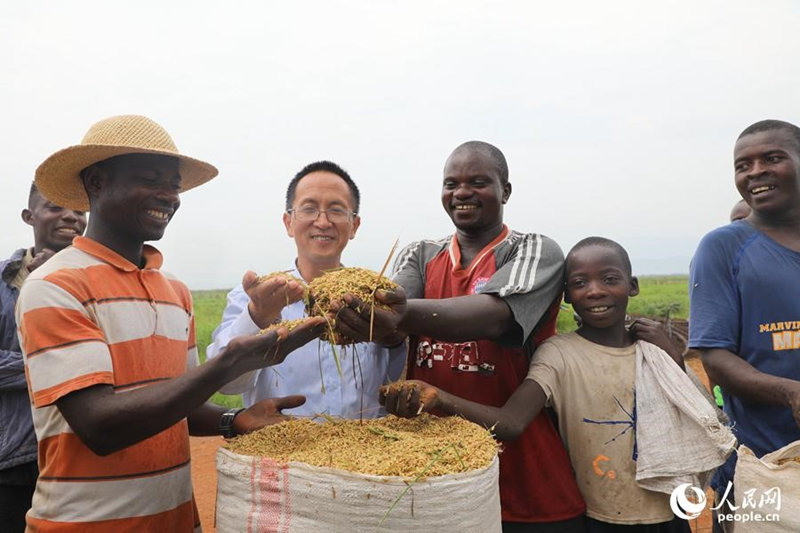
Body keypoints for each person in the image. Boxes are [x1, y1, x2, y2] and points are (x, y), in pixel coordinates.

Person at [16, 114, 325, 531]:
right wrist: (230, 362)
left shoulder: (175, 291)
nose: (168, 196)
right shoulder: (55, 285)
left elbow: (180, 402)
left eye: (174, 186)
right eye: (150, 179)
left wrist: (234, 420)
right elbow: (100, 424)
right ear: (96, 183)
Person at [334, 141, 586, 531]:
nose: (462, 192)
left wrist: (397, 315)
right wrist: (366, 320)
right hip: (438, 473)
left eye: (479, 182)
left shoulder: (533, 249)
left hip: (522, 471)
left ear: (506, 190)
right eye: (451, 183)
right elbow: (391, 326)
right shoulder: (420, 254)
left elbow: (494, 316)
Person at [380, 237, 695, 532]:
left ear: (633, 285)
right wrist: (440, 398)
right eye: (580, 283)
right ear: (566, 296)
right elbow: (512, 421)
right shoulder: (558, 354)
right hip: (599, 512)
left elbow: (695, 416)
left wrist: (673, 359)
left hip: (667, 508)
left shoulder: (653, 348)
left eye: (609, 279)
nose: (595, 291)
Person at [207, 161, 405, 418]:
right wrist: (257, 316)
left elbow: (399, 376)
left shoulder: (374, 296)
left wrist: (395, 335)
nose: (322, 222)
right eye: (309, 209)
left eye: (336, 210)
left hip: (364, 453)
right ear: (289, 222)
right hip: (283, 453)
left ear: (354, 225)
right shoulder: (257, 297)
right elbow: (226, 384)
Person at [689, 119, 800, 511]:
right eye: (743, 165)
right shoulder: (724, 247)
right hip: (767, 463)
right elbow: (715, 360)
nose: (755, 172)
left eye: (772, 158)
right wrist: (791, 392)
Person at [0, 184, 86, 533]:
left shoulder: (98, 280)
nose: (70, 216)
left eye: (79, 211)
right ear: (28, 216)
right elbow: (91, 362)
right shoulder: (4, 280)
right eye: (54, 207)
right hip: (14, 457)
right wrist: (56, 365)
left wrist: (59, 282)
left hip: (82, 454)